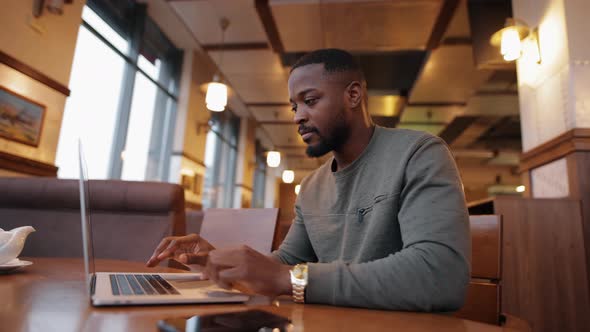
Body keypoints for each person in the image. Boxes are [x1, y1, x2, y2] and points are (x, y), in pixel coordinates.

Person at [147, 49, 470, 311]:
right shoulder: (313, 186)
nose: (297, 116)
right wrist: (215, 261)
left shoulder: (419, 153)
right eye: (294, 106)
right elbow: (285, 263)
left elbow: (440, 275)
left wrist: (292, 280)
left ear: (353, 95)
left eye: (310, 100)